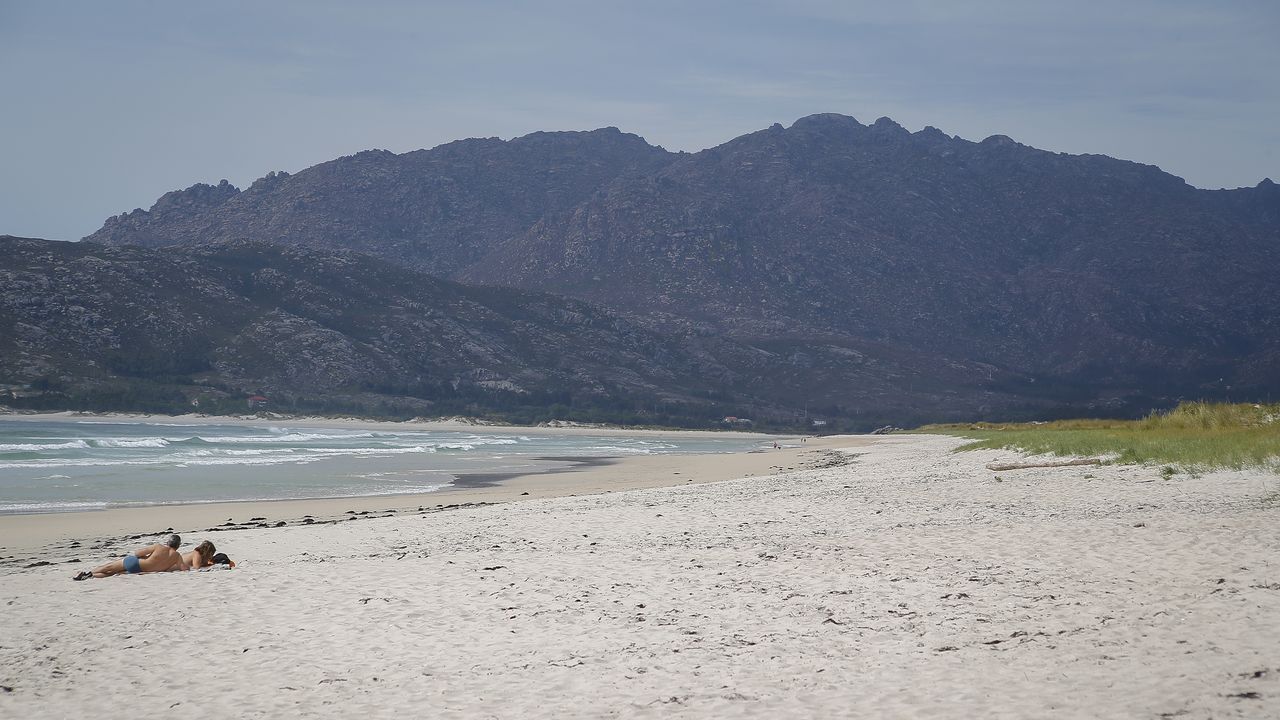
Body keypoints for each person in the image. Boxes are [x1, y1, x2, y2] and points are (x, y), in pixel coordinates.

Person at [73, 534, 190, 580]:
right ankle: (91, 576)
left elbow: (138, 553)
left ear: (168, 542)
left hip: (137, 563)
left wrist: (149, 556)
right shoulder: (177, 556)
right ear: (178, 545)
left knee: (108, 567)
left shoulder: (158, 547)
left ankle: (89, 573)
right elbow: (184, 568)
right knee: (111, 573)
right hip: (142, 571)